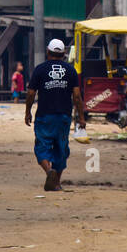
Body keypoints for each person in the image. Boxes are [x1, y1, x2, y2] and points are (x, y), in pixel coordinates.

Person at [25, 38, 84, 192]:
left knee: (42, 146)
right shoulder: (70, 70)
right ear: (64, 54)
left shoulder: (40, 69)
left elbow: (31, 94)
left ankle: (48, 171)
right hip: (63, 116)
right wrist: (82, 118)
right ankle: (56, 182)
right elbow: (77, 96)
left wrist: (27, 112)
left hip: (44, 116)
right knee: (61, 148)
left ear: (47, 52)